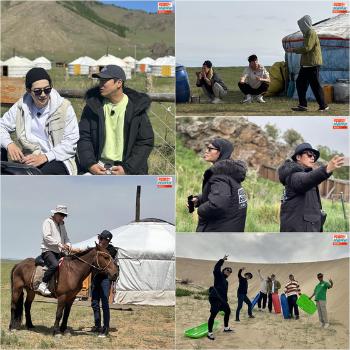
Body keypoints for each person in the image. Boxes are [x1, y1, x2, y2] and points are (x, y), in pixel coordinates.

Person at [77, 65, 154, 175]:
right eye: (100, 80)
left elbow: (145, 141)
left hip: (126, 169)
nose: (100, 84)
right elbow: (84, 137)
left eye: (105, 81)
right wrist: (90, 165)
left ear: (119, 83)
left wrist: (127, 169)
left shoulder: (136, 108)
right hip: (98, 167)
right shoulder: (93, 107)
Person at [0, 67, 79, 175]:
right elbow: (2, 125)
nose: (43, 94)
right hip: (30, 157)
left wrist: (45, 157)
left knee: (34, 177)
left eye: (47, 90)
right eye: (37, 91)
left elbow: (71, 142)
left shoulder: (64, 108)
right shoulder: (22, 106)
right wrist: (9, 144)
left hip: (58, 159)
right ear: (28, 91)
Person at [278, 143, 344, 232]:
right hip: (298, 236)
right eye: (309, 154)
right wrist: (327, 169)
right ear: (298, 157)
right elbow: (305, 180)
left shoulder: (306, 176)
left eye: (314, 156)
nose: (313, 157)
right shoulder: (293, 176)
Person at [189, 138, 248, 232]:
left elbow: (217, 205)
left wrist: (200, 209)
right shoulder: (229, 172)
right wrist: (199, 199)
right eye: (206, 148)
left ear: (221, 152)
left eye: (210, 149)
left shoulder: (219, 176)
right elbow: (226, 195)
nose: (206, 151)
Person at [286, 15, 329, 112]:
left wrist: (293, 50)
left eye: (301, 25)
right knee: (300, 83)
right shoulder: (307, 34)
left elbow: (307, 47)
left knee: (315, 86)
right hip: (306, 65)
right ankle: (303, 105)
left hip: (312, 64)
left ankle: (324, 106)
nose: (300, 28)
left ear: (305, 24)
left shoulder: (311, 33)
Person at [38, 205, 71, 295]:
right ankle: (43, 284)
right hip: (48, 250)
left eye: (64, 216)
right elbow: (46, 237)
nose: (62, 217)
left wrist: (68, 245)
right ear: (55, 214)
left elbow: (66, 238)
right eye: (61, 215)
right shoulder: (48, 222)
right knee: (55, 265)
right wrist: (60, 244)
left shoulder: (62, 224)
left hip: (59, 252)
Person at [91, 230, 117, 338]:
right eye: (101, 239)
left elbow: (105, 259)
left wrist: (100, 248)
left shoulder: (111, 250)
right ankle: (97, 326)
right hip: (96, 278)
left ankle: (105, 328)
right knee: (95, 303)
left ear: (108, 241)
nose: (102, 241)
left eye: (104, 240)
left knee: (105, 303)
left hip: (105, 279)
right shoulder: (96, 249)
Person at [207, 255, 233, 340]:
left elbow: (224, 293)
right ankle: (209, 333)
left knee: (228, 311)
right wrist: (222, 260)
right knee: (213, 315)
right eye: (227, 270)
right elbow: (216, 267)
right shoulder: (218, 275)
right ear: (223, 270)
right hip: (215, 298)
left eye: (230, 272)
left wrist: (226, 301)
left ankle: (226, 328)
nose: (229, 272)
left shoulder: (226, 281)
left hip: (222, 300)